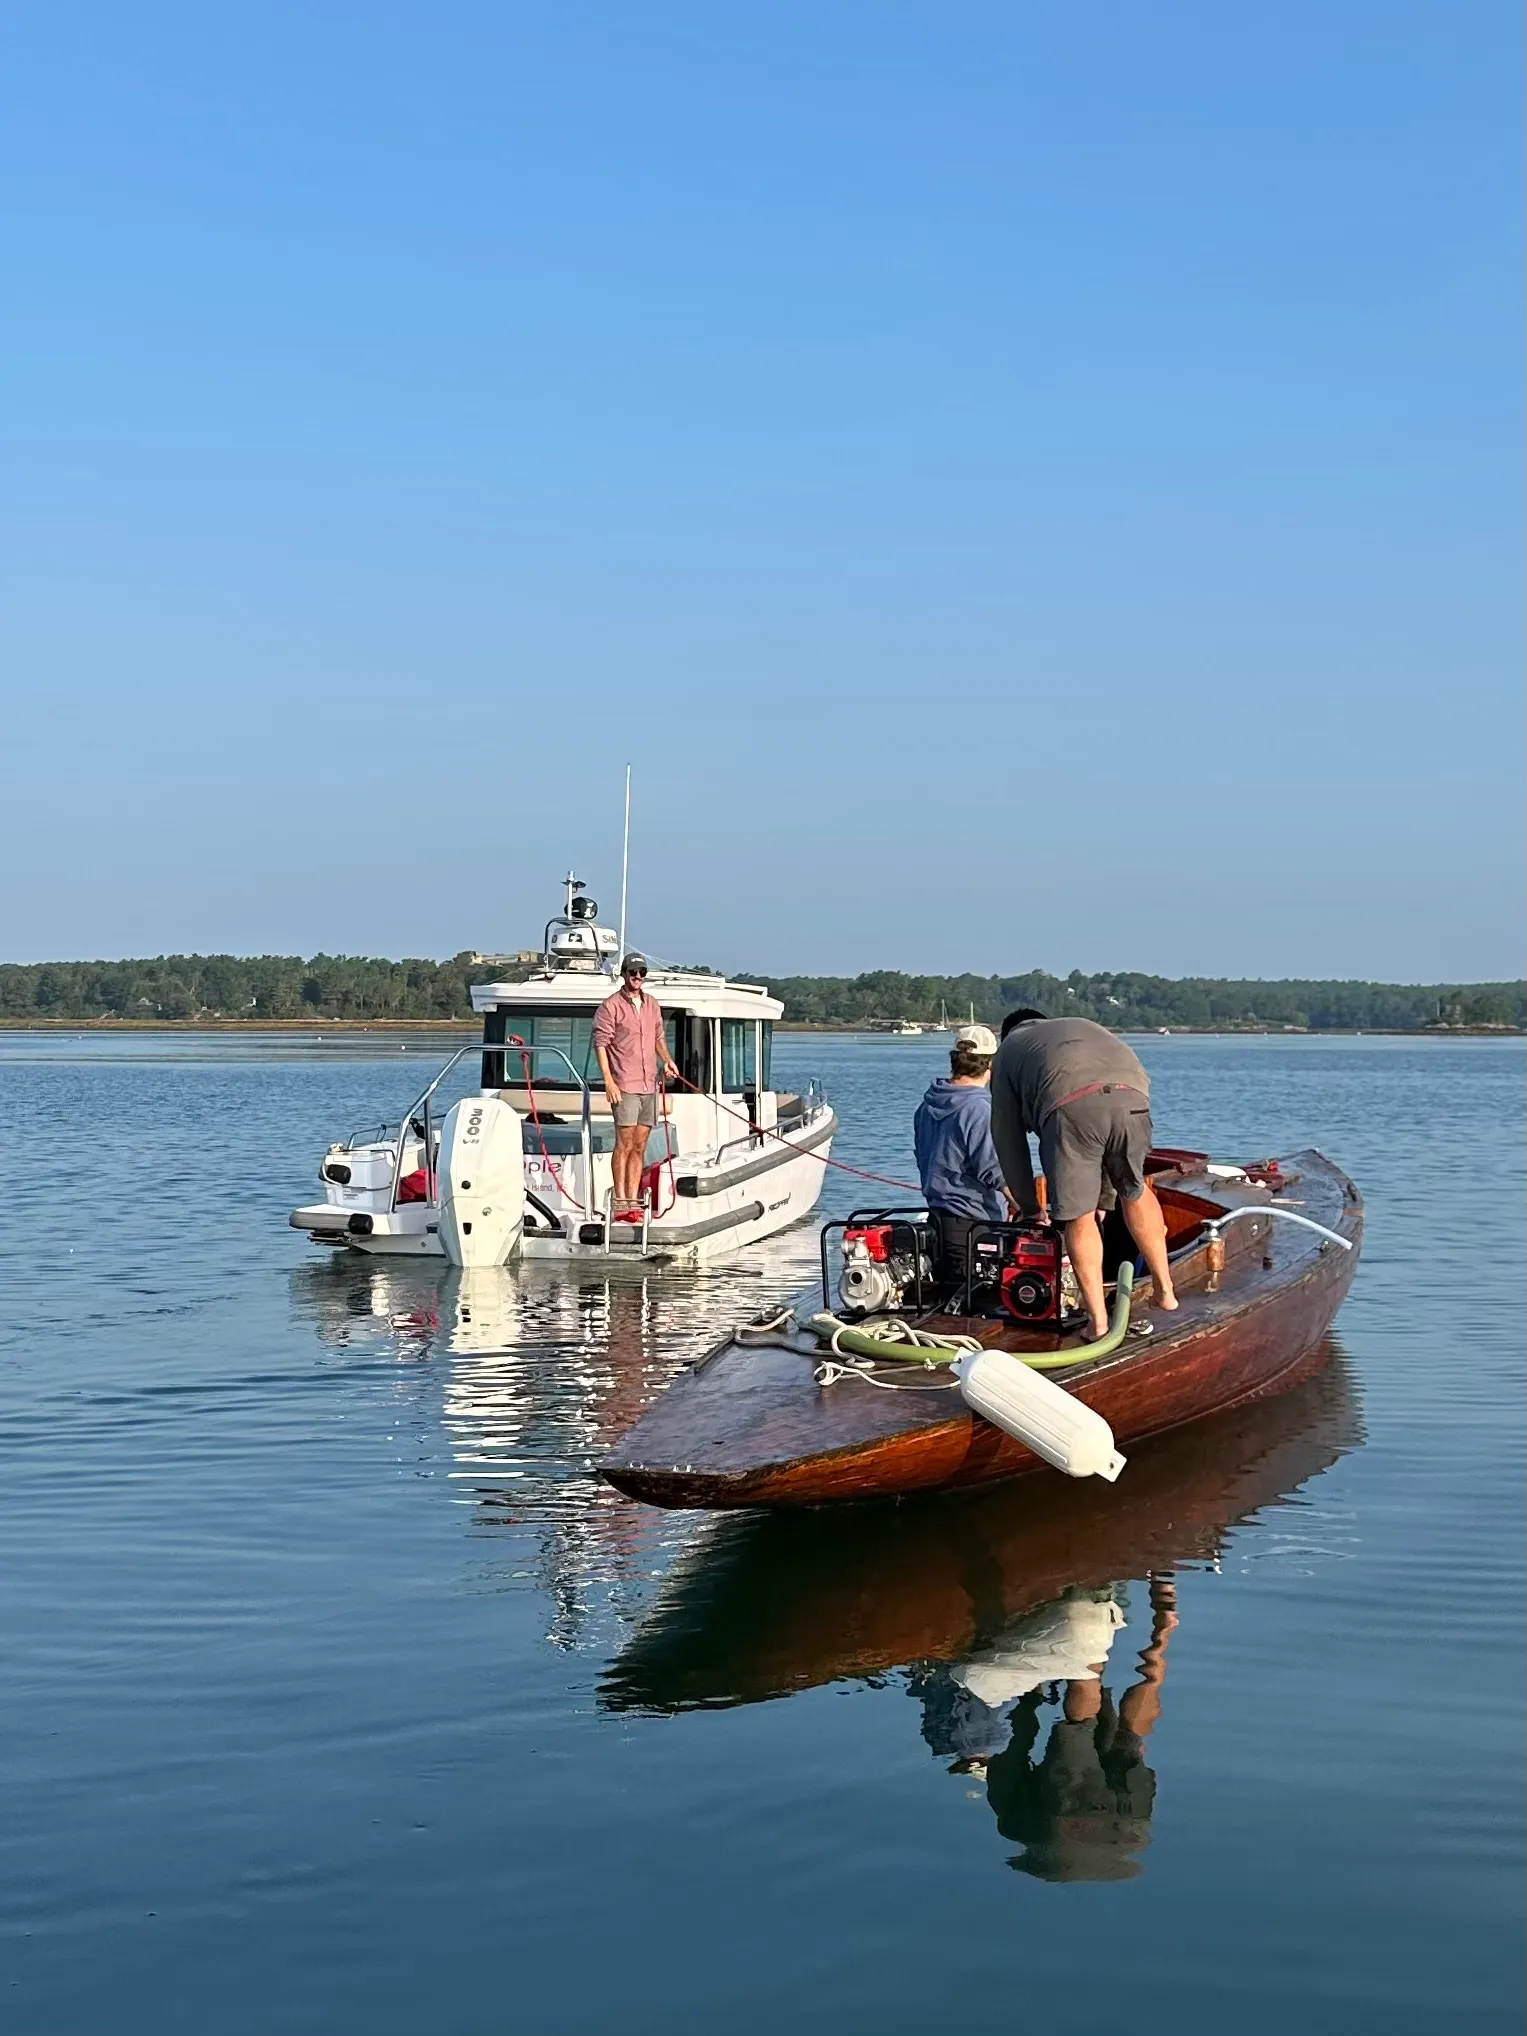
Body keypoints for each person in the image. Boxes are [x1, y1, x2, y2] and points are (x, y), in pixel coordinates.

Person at [990, 1008, 1179, 1338]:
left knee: (1079, 1216)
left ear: (1005, 1035)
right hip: (1133, 1095)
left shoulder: (1008, 1050)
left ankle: (1099, 1324)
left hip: (1070, 1105)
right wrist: (1106, 1200)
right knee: (1133, 1188)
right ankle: (1166, 1291)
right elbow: (1104, 1103)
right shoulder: (1079, 1026)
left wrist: (1031, 1209)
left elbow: (1009, 1143)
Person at [913, 1023, 1015, 1284]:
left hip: (937, 1220)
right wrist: (1030, 1209)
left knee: (948, 1297)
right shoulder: (979, 1109)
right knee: (976, 1305)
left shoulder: (926, 1107)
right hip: (975, 1226)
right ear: (991, 1064)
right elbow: (995, 1170)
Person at [591, 953, 679, 1223]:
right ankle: (620, 1204)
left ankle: (633, 1202)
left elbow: (657, 1038)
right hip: (624, 1085)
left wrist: (667, 1060)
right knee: (624, 1144)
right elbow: (601, 1044)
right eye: (633, 972)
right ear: (625, 974)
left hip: (648, 1084)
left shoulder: (652, 1004)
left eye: (642, 972)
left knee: (640, 1146)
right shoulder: (611, 1006)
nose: (637, 977)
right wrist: (609, 1081)